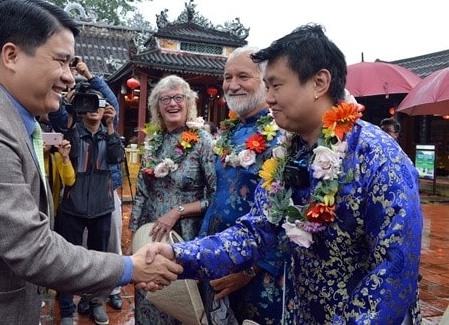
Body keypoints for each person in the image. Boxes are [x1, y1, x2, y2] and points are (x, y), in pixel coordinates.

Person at [0, 0, 181, 325]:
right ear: (12, 56)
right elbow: (33, 250)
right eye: (61, 62)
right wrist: (130, 267)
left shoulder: (16, 121)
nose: (69, 78)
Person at [146, 24, 423, 324]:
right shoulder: (290, 152)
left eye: (276, 86)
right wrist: (177, 256)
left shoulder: (380, 158)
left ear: (319, 82)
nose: (269, 99)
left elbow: (395, 270)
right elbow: (254, 233)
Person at [198, 46, 285, 324]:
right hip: (215, 257)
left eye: (243, 76)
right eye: (227, 77)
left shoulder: (283, 135)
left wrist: (250, 271)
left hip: (260, 273)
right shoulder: (230, 130)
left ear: (265, 80)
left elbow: (291, 214)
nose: (232, 85)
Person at [129, 75, 217, 325]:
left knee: (180, 303)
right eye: (165, 99)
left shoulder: (203, 143)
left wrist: (177, 211)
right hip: (150, 235)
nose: (172, 104)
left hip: (185, 238)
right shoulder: (153, 143)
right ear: (157, 106)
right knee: (149, 296)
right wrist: (134, 238)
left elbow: (215, 198)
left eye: (179, 97)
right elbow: (142, 193)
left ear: (189, 103)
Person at [54, 87, 124, 325]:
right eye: (89, 104)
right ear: (83, 109)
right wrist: (70, 108)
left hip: (102, 207)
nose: (95, 108)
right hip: (72, 207)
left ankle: (95, 303)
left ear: (106, 109)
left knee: (99, 260)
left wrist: (112, 127)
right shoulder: (72, 134)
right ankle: (65, 309)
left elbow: (116, 157)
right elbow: (60, 125)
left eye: (100, 103)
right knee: (67, 259)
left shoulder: (109, 136)